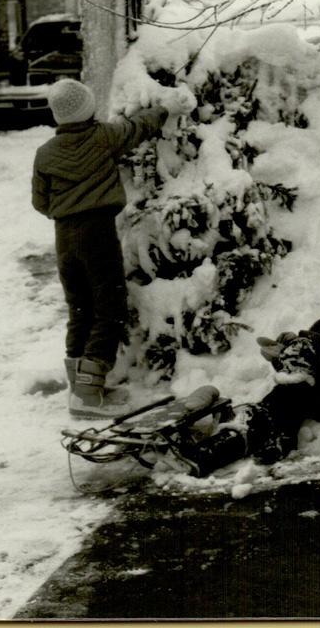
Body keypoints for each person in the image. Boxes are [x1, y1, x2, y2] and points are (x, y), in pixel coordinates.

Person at [32, 78, 189, 419]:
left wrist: (66, 208)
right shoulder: (103, 137)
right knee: (109, 306)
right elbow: (139, 126)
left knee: (79, 309)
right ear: (88, 108)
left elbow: (39, 202)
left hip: (64, 237)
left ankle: (82, 390)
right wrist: (168, 108)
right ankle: (89, 392)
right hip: (97, 233)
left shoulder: (44, 154)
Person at [168, 271, 320, 476]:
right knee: (270, 408)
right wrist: (283, 355)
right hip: (313, 391)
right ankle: (210, 453)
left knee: (288, 396)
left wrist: (305, 343)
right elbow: (302, 367)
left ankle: (273, 438)